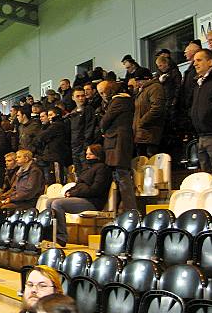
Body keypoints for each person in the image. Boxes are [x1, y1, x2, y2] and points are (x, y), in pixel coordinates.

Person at [47, 144, 112, 246]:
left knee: (57, 203)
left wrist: (74, 192)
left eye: (90, 154)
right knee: (49, 202)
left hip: (93, 201)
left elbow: (96, 189)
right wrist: (70, 191)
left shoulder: (102, 169)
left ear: (98, 155)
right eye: (87, 154)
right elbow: (79, 185)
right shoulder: (87, 168)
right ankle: (51, 232)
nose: (87, 156)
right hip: (81, 197)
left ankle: (61, 236)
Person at [97, 80, 137, 211]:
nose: (102, 95)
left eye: (103, 92)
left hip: (118, 143)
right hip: (117, 143)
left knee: (123, 177)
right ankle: (123, 209)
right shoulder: (121, 101)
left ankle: (130, 210)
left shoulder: (119, 101)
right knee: (120, 177)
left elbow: (104, 122)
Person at [191, 49, 212, 174]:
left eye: (199, 60)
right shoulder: (198, 83)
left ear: (210, 62)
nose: (195, 63)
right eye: (194, 61)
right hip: (201, 136)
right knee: (206, 178)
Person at [131, 68, 165, 157]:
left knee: (151, 162)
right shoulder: (143, 90)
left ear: (147, 79)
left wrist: (141, 122)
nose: (137, 84)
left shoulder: (155, 88)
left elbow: (157, 108)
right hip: (142, 133)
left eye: (138, 81)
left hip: (149, 132)